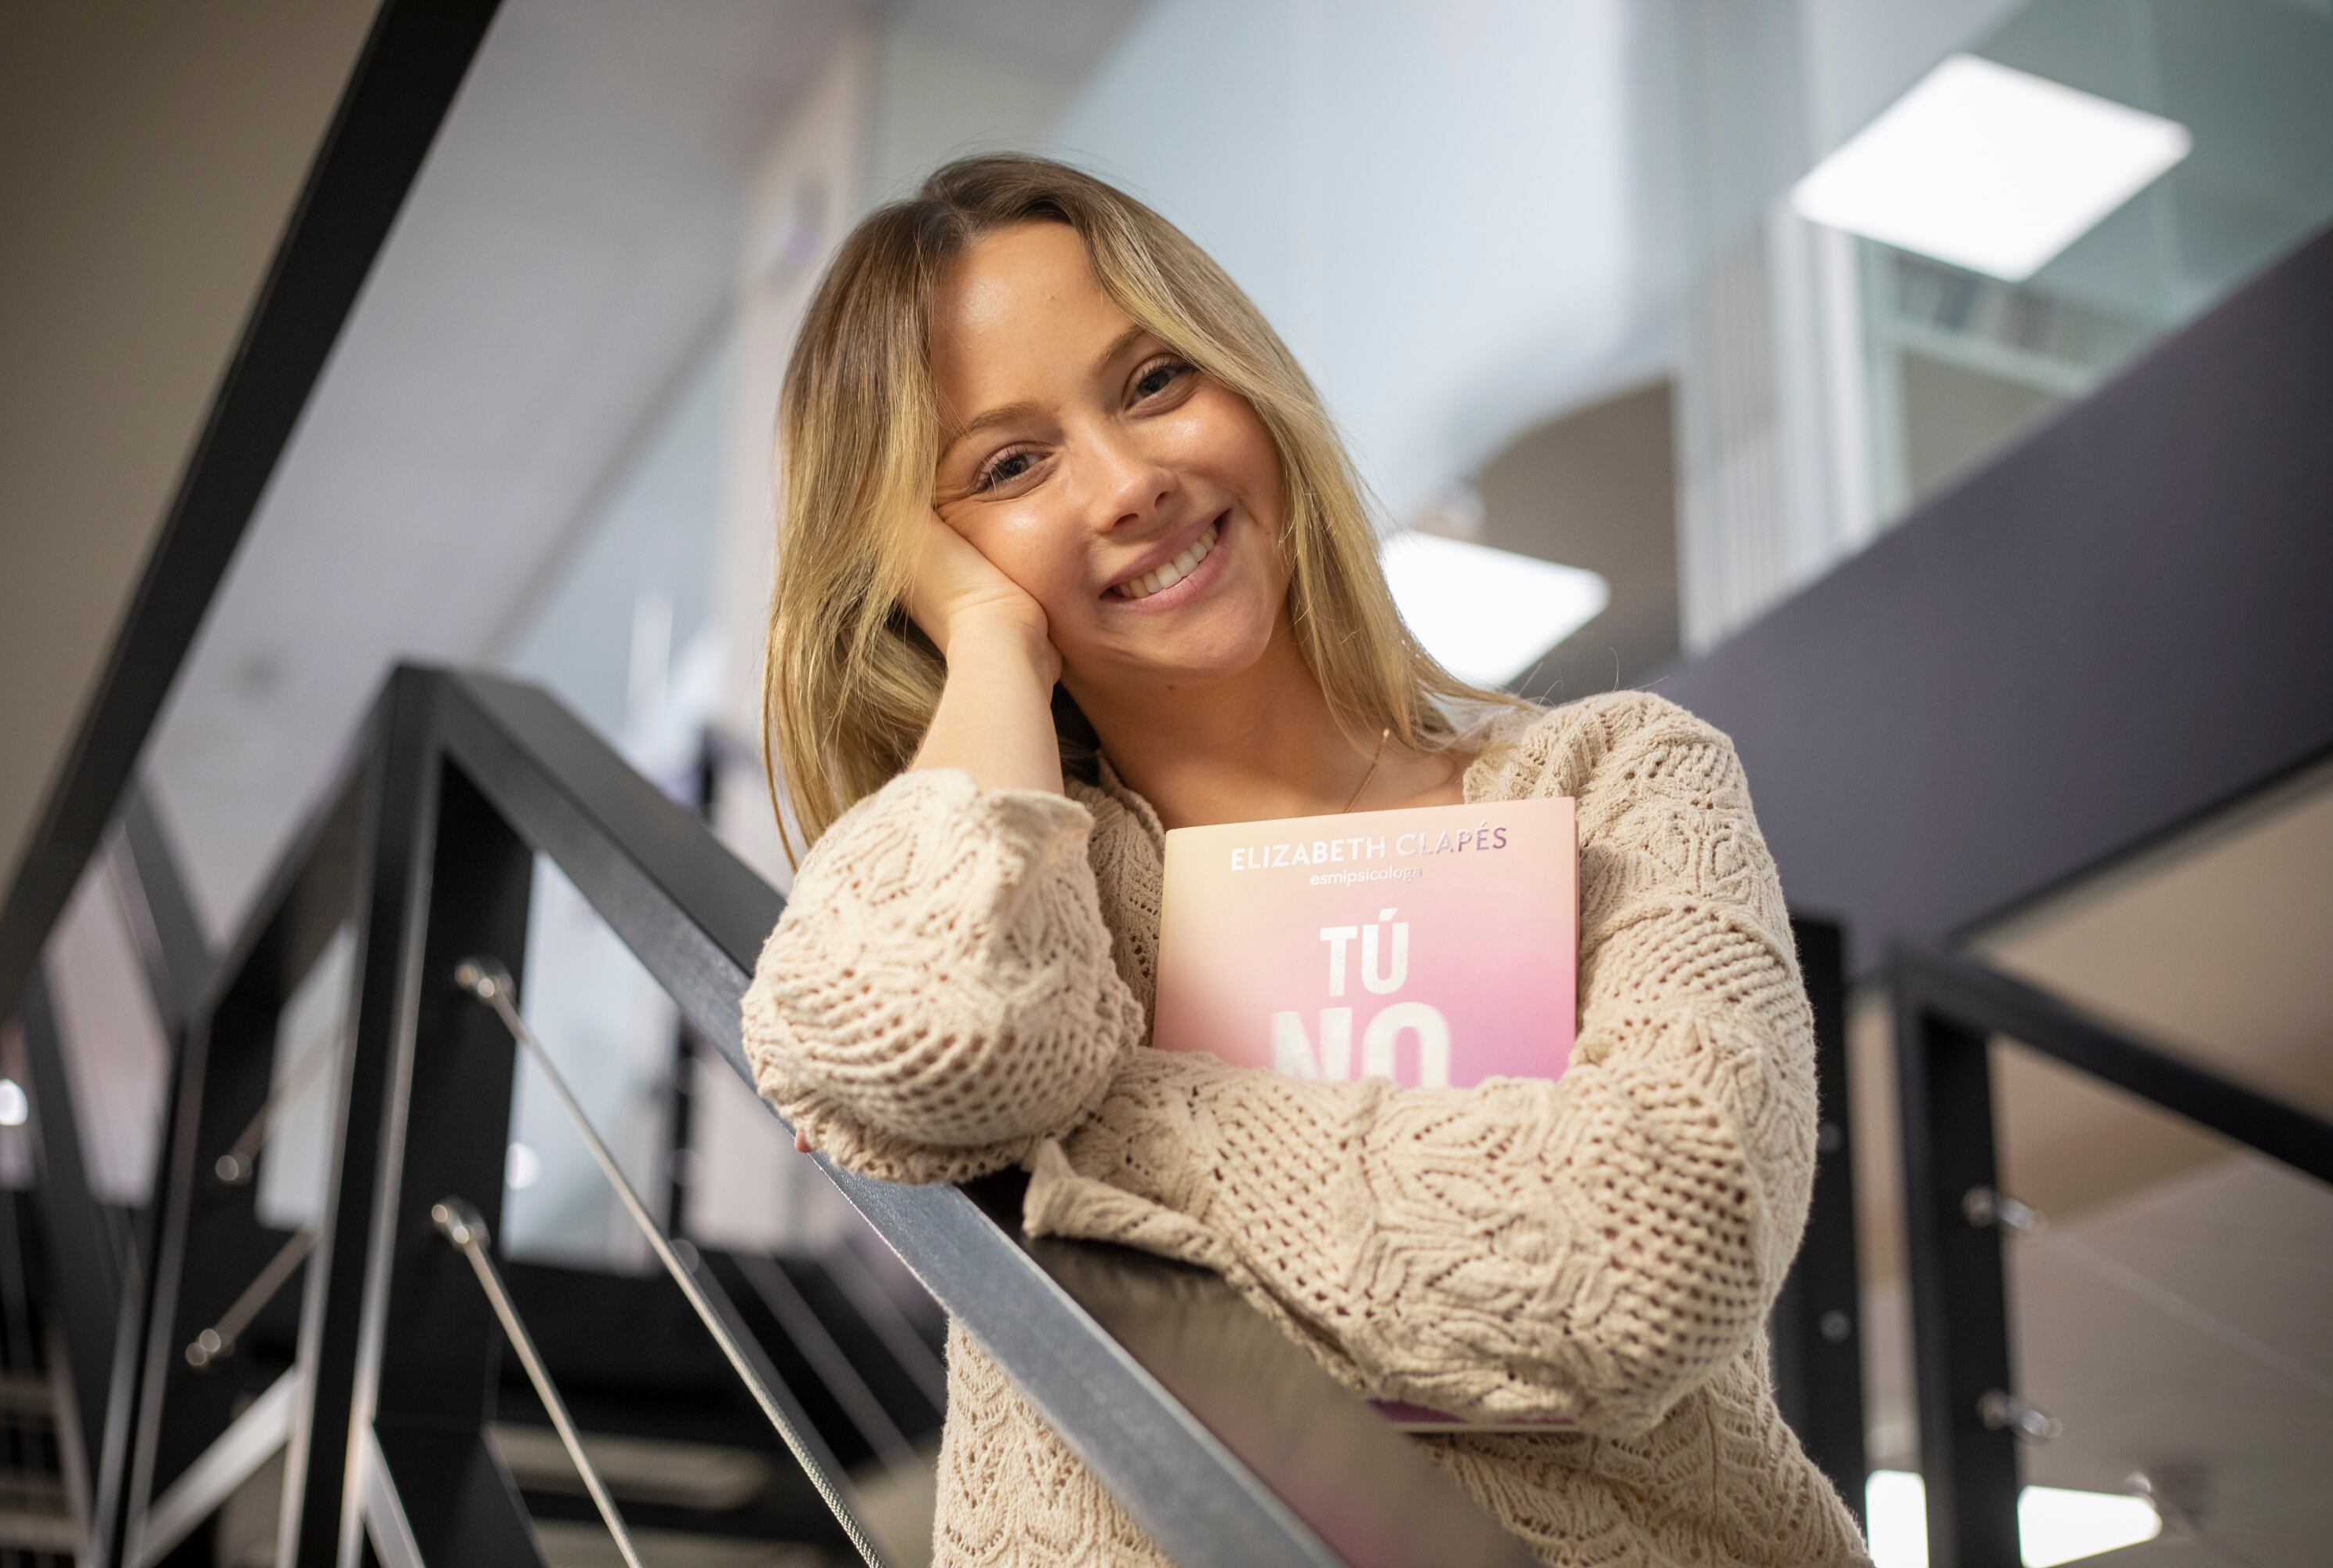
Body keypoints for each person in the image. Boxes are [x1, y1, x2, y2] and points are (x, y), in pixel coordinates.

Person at [741, 154, 1870, 1567]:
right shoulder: (1030, 897)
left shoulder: (1621, 780)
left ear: (1249, 388)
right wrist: (986, 638)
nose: (1132, 481)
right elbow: (934, 1030)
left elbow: (1652, 1257)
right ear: (913, 560)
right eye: (1010, 466)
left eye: (1153, 382)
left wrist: (1055, 1145)